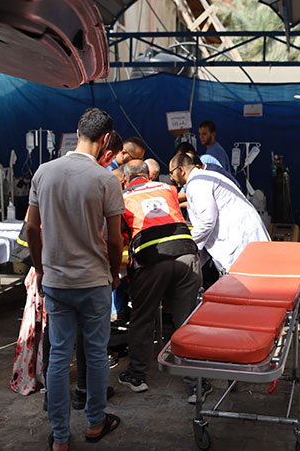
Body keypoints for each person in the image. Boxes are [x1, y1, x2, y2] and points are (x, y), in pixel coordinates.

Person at [27, 107, 123, 450]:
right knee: (96, 355)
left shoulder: (43, 172)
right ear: (107, 139)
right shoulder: (106, 180)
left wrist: (40, 268)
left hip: (56, 282)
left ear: (78, 131)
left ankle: (60, 437)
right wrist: (115, 272)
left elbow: (31, 228)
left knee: (58, 358)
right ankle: (96, 423)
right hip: (94, 281)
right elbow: (114, 239)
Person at [116, 160, 203, 401]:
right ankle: (196, 384)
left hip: (151, 260)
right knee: (186, 322)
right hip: (187, 254)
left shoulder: (122, 197)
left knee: (142, 319)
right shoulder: (167, 189)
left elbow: (120, 235)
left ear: (125, 179)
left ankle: (137, 376)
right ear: (148, 175)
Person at [169, 153, 269, 273]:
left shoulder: (197, 183)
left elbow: (206, 223)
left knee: (250, 281)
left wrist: (182, 244)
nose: (171, 178)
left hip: (240, 239)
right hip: (241, 235)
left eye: (171, 173)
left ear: (180, 170)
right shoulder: (204, 177)